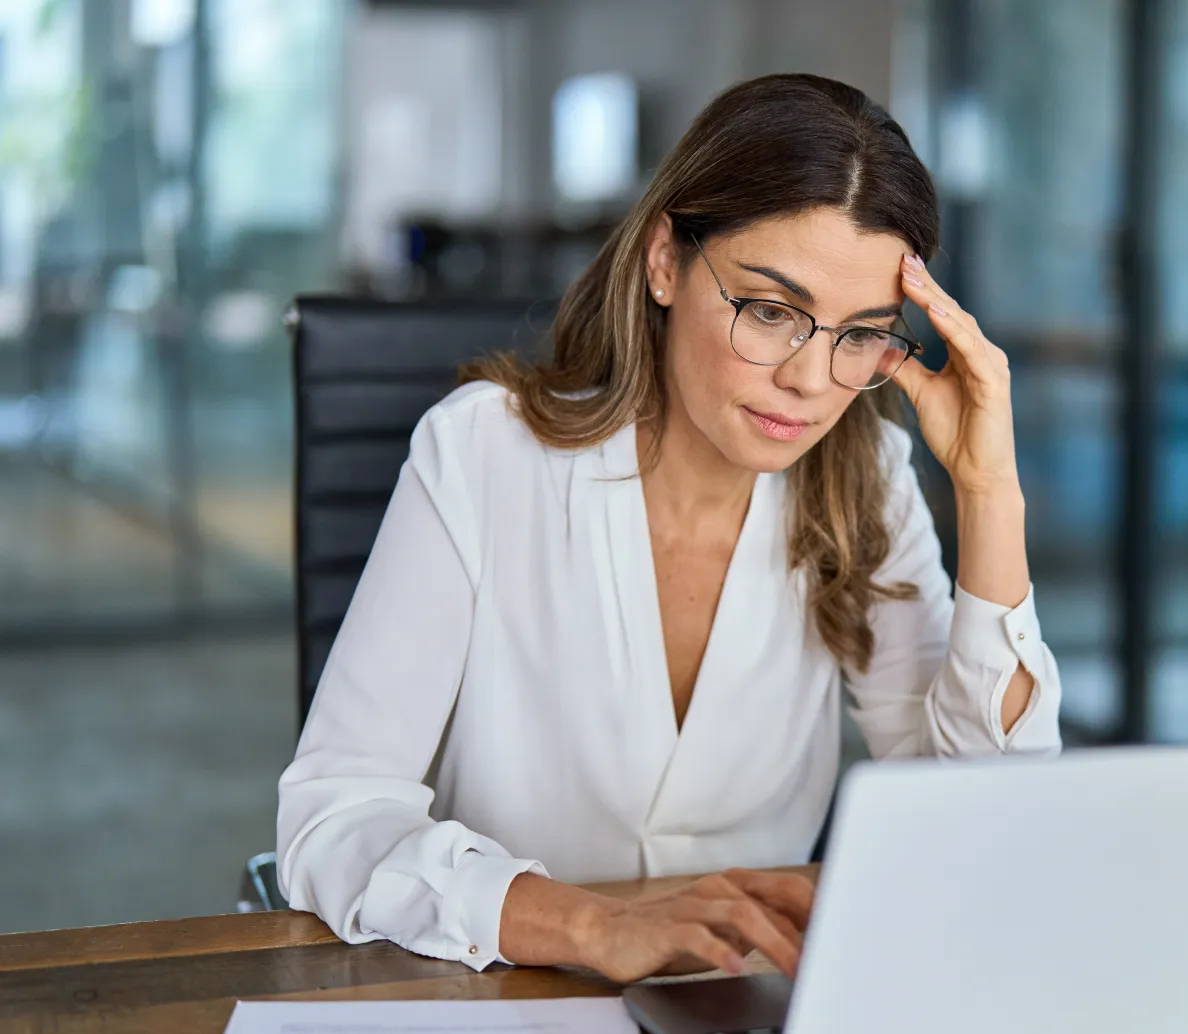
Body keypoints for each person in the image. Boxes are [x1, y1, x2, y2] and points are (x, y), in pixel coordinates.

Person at [277, 73, 1062, 984]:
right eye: (771, 312)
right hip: (503, 995)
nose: (811, 381)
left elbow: (982, 823)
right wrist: (596, 927)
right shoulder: (484, 454)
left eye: (859, 334)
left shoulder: (864, 480)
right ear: (663, 262)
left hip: (747, 1002)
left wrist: (989, 492)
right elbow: (332, 820)